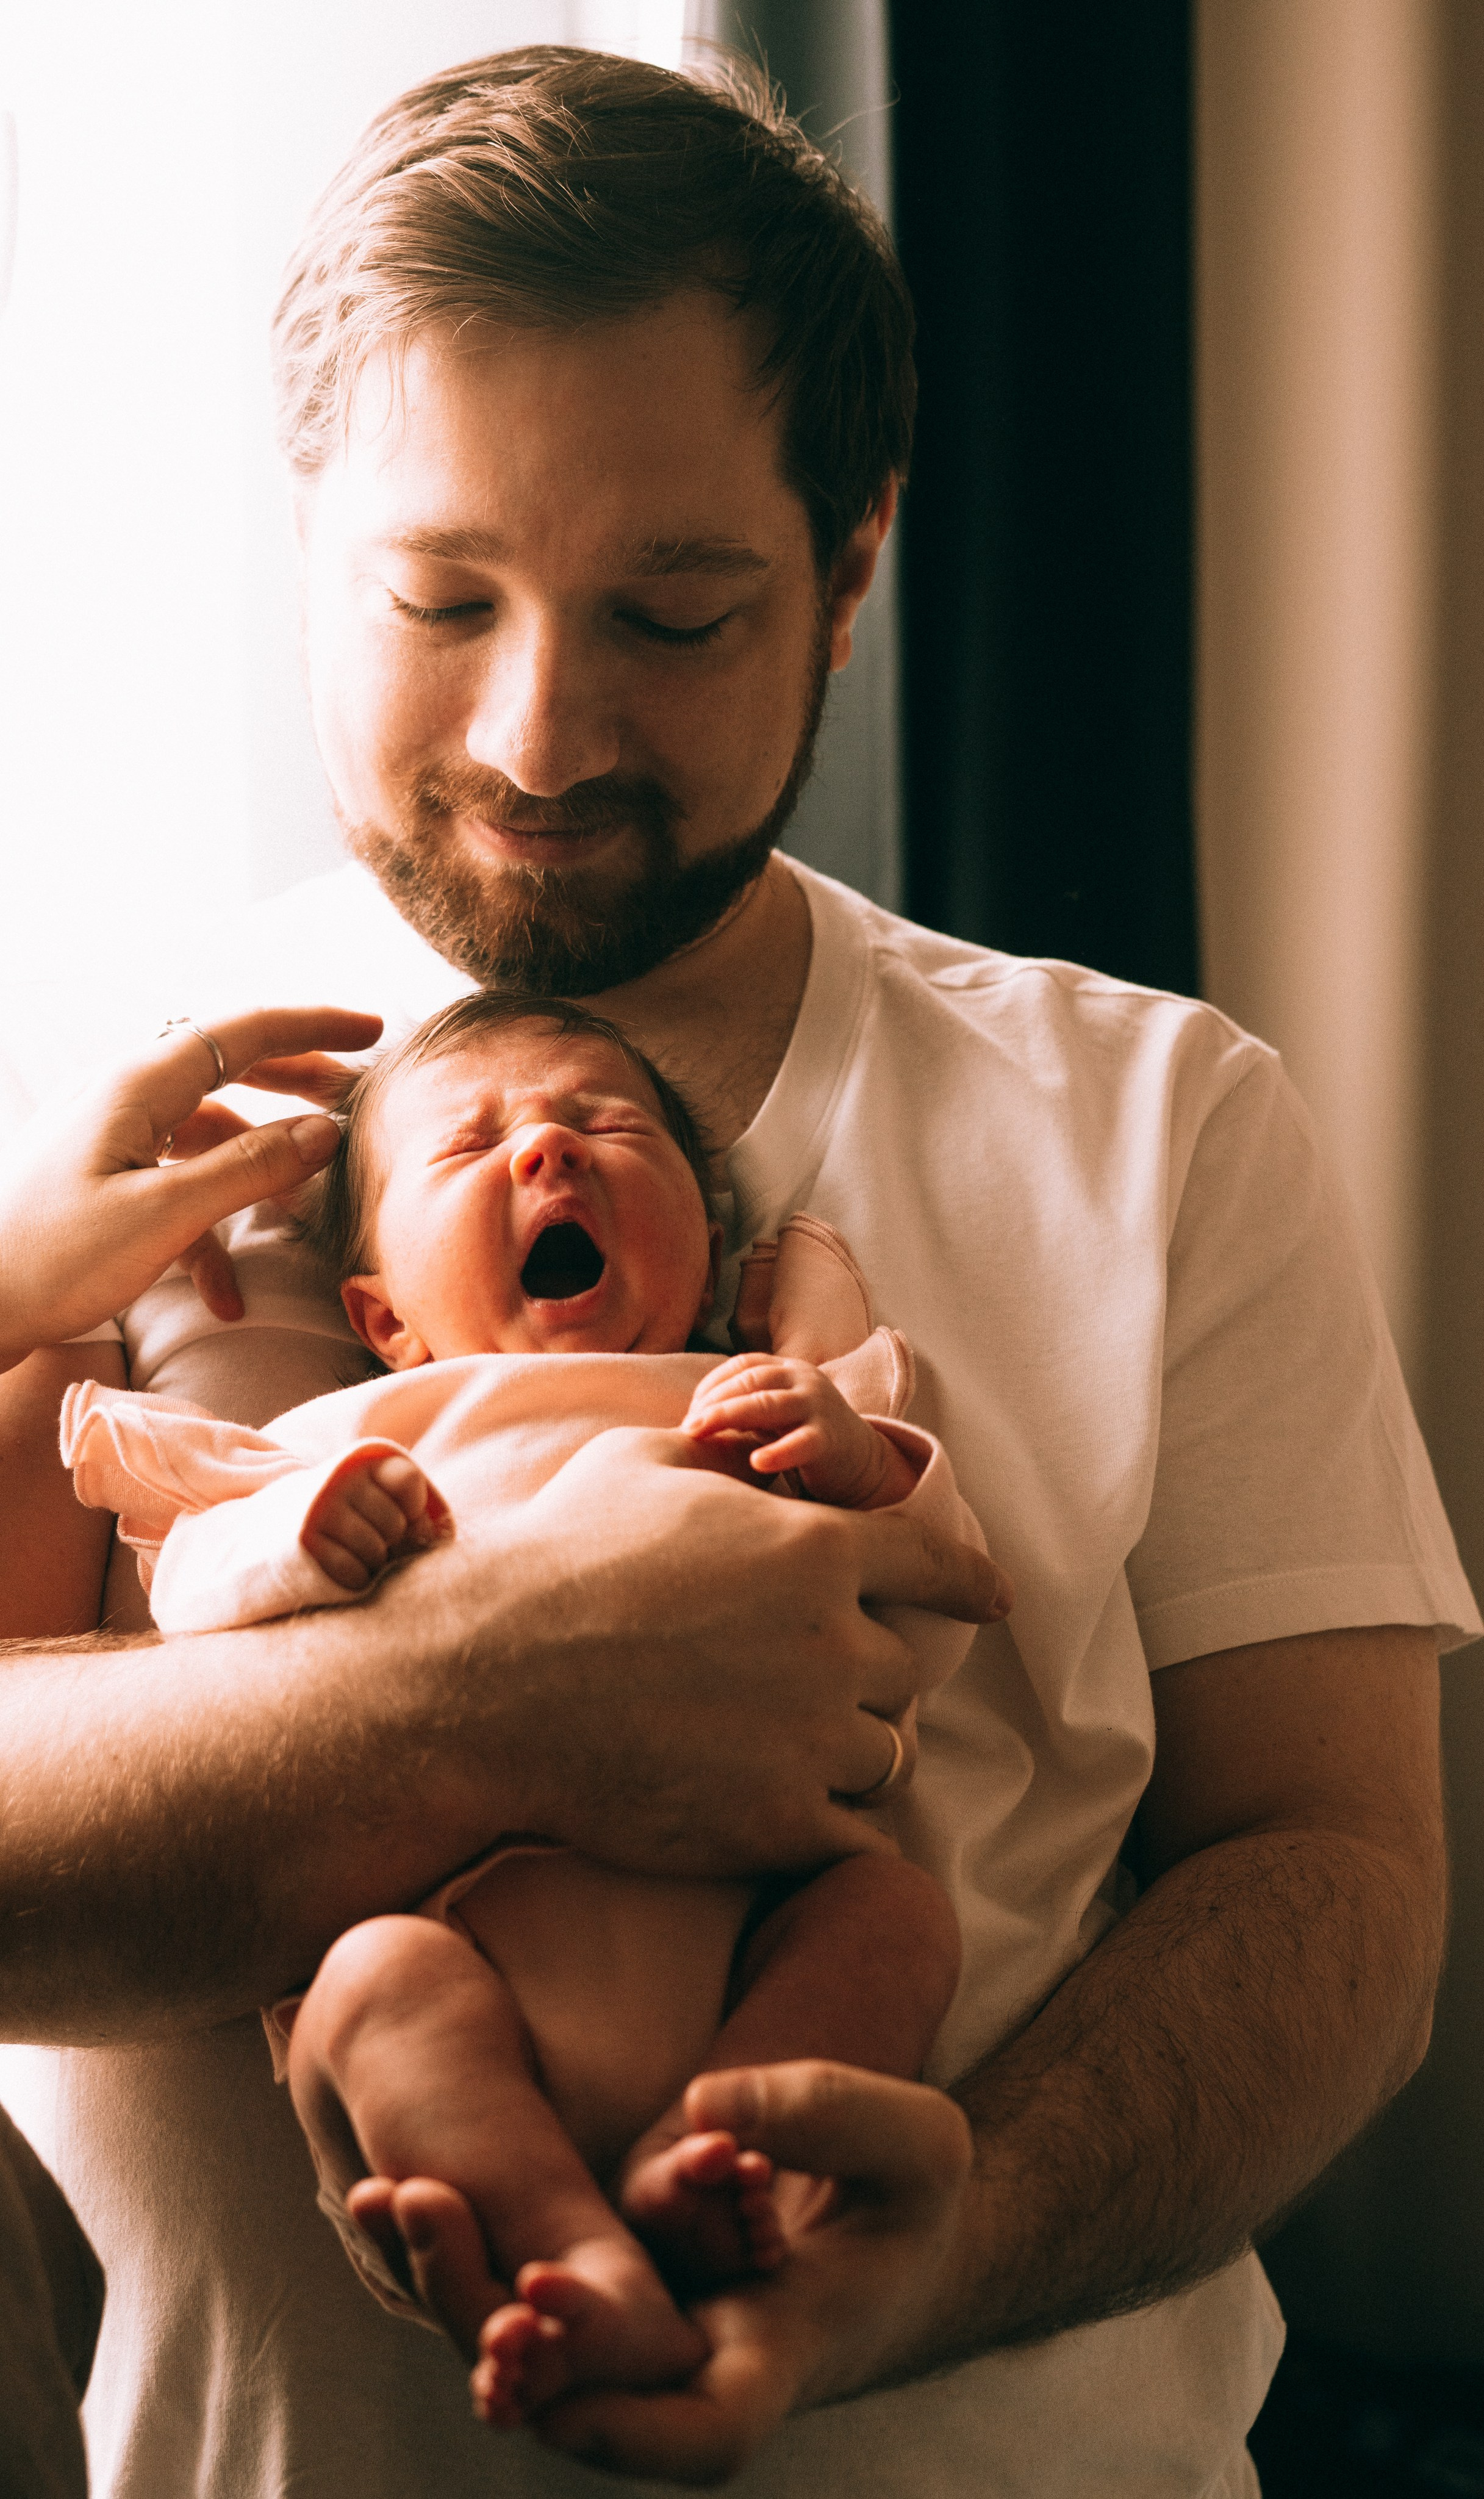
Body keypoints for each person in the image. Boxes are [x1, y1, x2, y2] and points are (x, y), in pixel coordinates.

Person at [0, 42, 1474, 2499]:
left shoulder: (1153, 1117)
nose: (541, 728)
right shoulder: (108, 1161)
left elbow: (1332, 1885)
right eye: (436, 596)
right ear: (299, 540)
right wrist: (479, 1699)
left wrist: (948, 2239)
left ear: (854, 561)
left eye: (673, 611)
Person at [57, 990, 986, 2428]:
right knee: (368, 1985)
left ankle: (717, 2142)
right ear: (382, 1320)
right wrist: (309, 1535)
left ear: (711, 1255)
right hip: (455, 1943)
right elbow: (196, 1596)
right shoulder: (355, 1433)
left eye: (607, 1120)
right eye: (468, 1144)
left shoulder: (738, 1400)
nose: (548, 1143)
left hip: (749, 1912)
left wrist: (860, 1462)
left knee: (896, 1918)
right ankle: (564, 2244)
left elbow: (934, 1601)